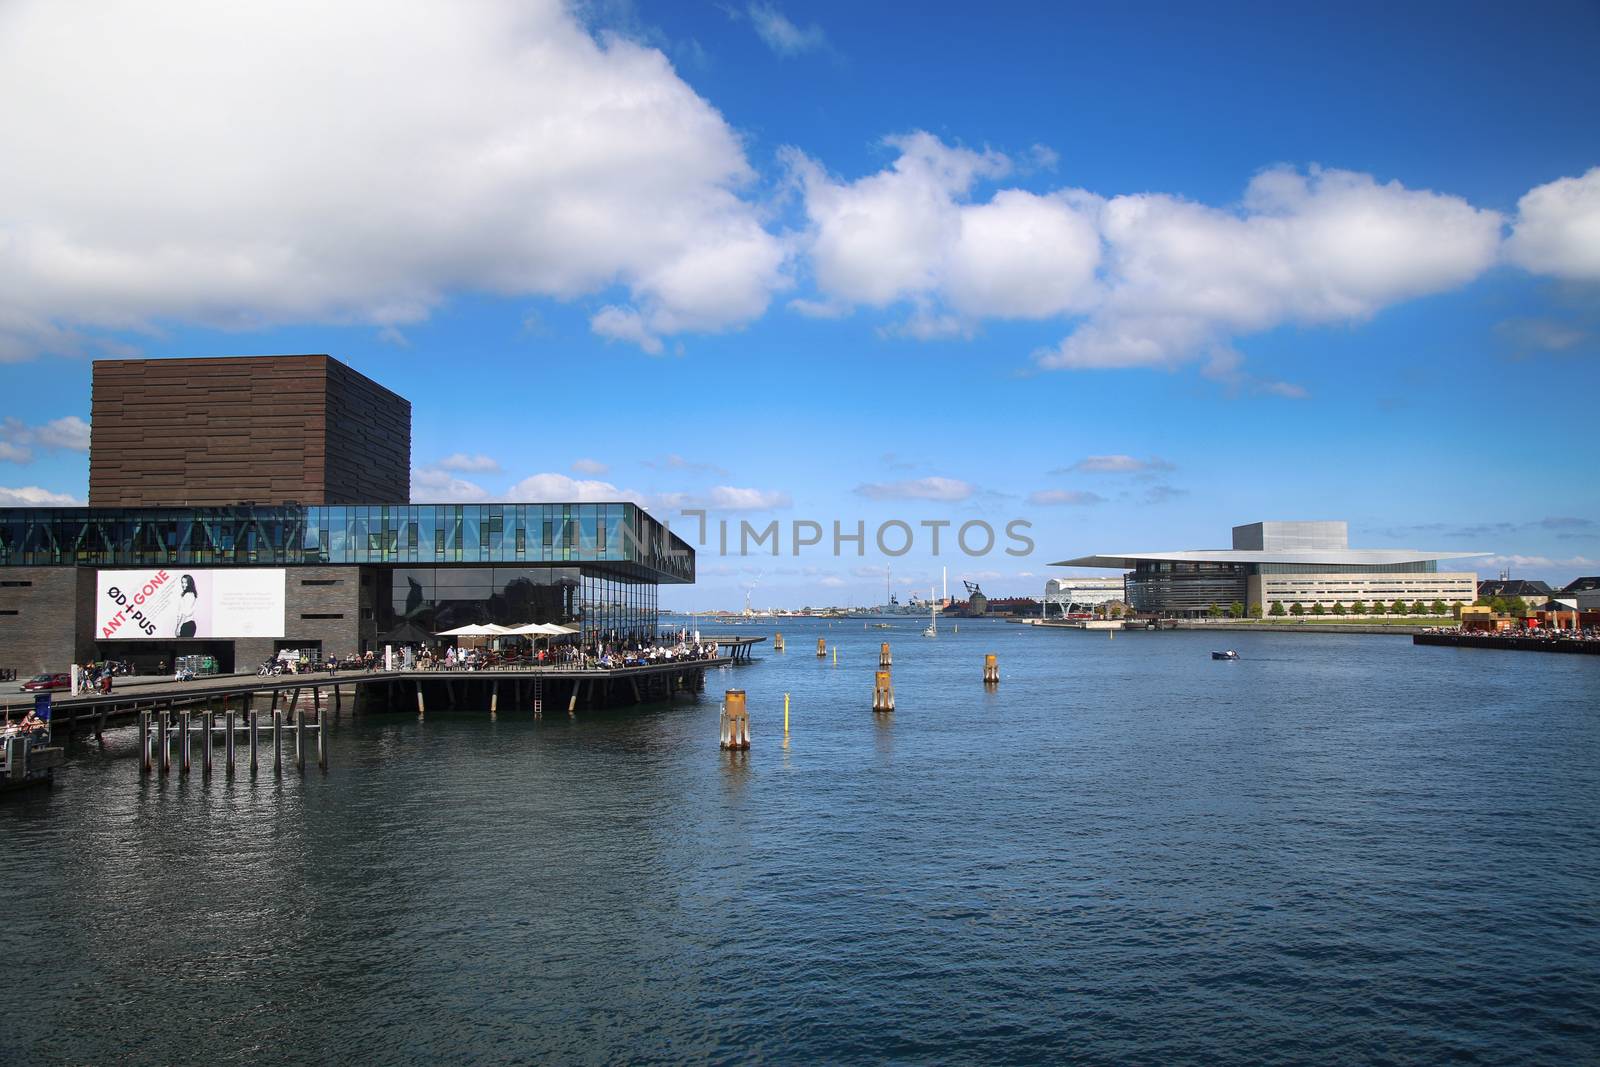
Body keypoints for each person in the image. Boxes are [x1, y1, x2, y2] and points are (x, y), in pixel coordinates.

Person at [175, 574, 199, 638]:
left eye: (185, 582)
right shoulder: (188, 594)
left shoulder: (189, 595)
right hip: (185, 624)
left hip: (187, 625)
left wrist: (178, 627)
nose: (183, 584)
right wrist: (178, 626)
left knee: (184, 646)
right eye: (182, 582)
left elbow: (185, 613)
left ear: (190, 583)